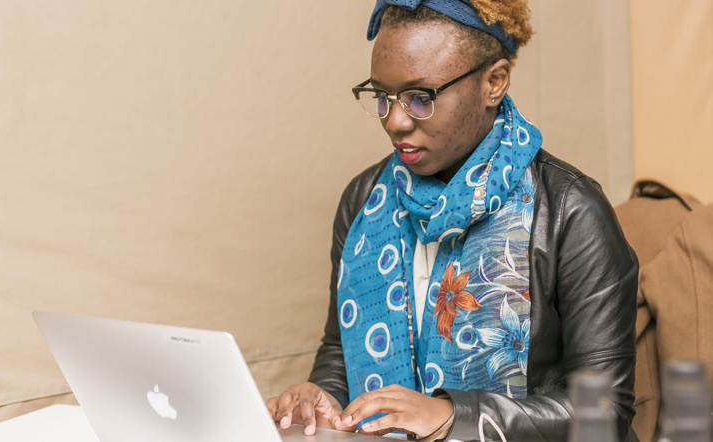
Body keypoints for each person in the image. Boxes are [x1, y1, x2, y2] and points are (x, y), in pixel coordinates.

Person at [267, 1, 639, 441]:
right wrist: (320, 398)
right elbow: (340, 350)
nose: (396, 121)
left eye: (420, 97)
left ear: (494, 82)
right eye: (382, 96)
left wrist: (451, 416)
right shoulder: (363, 201)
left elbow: (604, 412)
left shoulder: (571, 212)